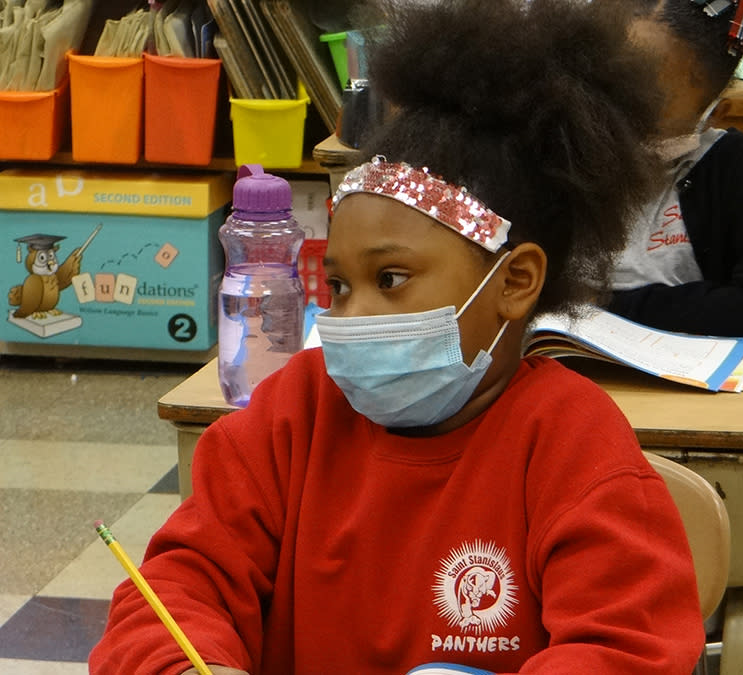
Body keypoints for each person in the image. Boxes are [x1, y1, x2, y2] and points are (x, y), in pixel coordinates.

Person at [89, 1, 705, 673]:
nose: (349, 317)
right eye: (340, 285)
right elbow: (173, 591)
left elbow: (626, 651)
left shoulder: (572, 447)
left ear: (515, 280)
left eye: (391, 277)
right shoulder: (290, 417)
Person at [606, 0, 743, 340]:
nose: (623, 116)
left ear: (714, 114)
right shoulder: (554, 149)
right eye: (612, 89)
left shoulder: (732, 165)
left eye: (651, 105)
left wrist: (606, 309)